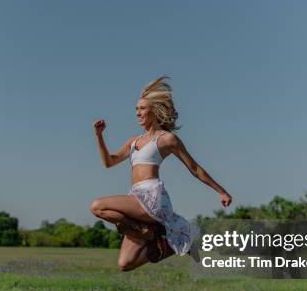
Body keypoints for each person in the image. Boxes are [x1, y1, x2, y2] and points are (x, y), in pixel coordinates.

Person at [89, 75, 232, 271]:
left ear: (155, 111)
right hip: (135, 197)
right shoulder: (133, 141)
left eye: (142, 108)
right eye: (136, 109)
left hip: (152, 198)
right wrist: (99, 136)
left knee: (97, 206)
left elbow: (195, 168)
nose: (138, 113)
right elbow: (109, 162)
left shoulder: (166, 139)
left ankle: (146, 229)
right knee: (125, 264)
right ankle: (166, 244)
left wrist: (221, 191)